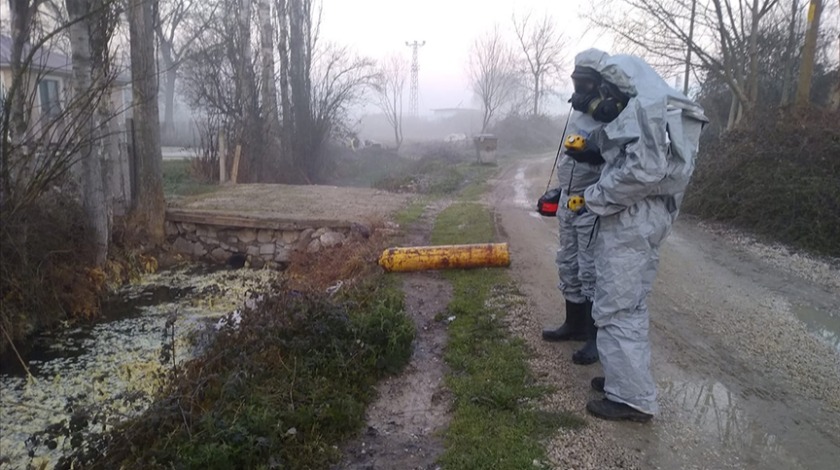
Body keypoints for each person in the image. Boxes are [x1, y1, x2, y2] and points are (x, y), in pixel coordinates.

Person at [575, 52, 708, 422]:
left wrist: (594, 198)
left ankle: (631, 398)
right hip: (640, 218)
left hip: (633, 219)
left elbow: (642, 171)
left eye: (602, 89)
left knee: (616, 305)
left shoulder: (647, 110)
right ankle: (623, 378)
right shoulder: (649, 107)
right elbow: (626, 146)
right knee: (625, 301)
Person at [541, 49, 610, 366]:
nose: (578, 89)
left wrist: (594, 155)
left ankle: (596, 340)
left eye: (585, 83)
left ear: (600, 83)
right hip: (570, 201)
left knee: (590, 268)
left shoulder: (613, 113)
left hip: (592, 203)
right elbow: (568, 154)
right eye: (575, 81)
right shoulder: (577, 113)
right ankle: (575, 324)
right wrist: (557, 190)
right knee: (567, 262)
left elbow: (618, 159)